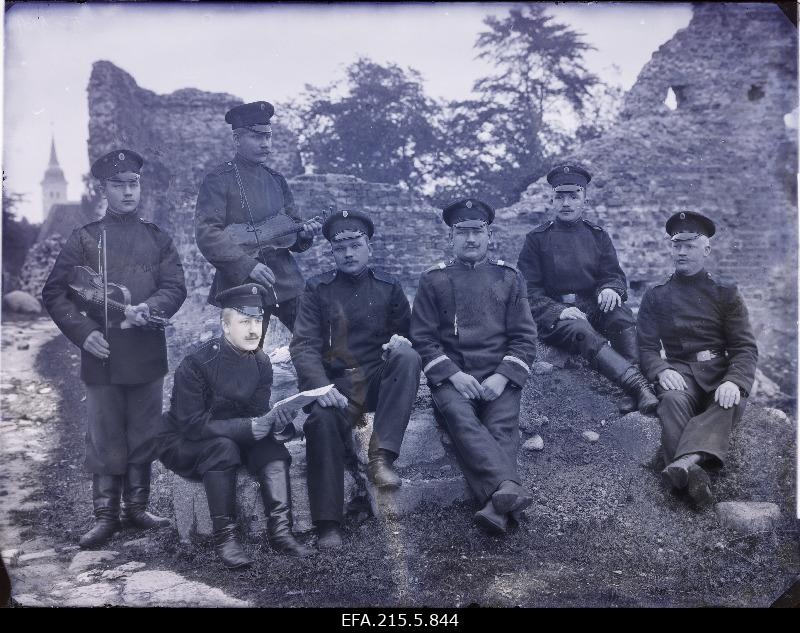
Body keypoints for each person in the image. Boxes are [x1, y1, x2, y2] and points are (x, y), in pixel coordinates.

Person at [42, 149, 187, 549]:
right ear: (103, 188)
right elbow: (55, 293)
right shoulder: (85, 238)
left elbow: (175, 287)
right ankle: (106, 516)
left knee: (144, 431)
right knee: (105, 434)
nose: (127, 192)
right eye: (118, 184)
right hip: (102, 354)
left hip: (146, 351)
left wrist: (151, 309)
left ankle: (137, 509)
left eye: (133, 183)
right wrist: (84, 332)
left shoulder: (158, 238)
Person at [290, 210, 421, 549]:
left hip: (378, 380)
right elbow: (304, 344)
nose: (348, 253)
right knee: (319, 422)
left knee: (407, 356)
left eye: (355, 245)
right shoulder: (318, 289)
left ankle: (381, 457)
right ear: (331, 252)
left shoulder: (389, 288)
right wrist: (321, 388)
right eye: (339, 247)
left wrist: (402, 341)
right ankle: (328, 524)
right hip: (338, 387)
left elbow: (408, 335)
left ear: (369, 247)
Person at [159, 283, 313, 569]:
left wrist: (277, 424)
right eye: (244, 322)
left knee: (270, 447)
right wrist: (245, 428)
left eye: (257, 321)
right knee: (223, 447)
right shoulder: (196, 363)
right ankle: (225, 540)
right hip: (186, 442)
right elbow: (191, 424)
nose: (254, 329)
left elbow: (256, 413)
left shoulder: (261, 362)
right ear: (225, 326)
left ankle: (281, 533)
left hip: (230, 435)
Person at [410, 198, 538, 535]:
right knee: (462, 420)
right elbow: (423, 338)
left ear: (488, 235)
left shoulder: (509, 277)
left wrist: (502, 376)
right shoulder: (433, 279)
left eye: (477, 232)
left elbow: (525, 337)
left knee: (501, 427)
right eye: (462, 232)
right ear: (450, 237)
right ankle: (507, 490)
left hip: (499, 374)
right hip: (454, 377)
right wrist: (452, 373)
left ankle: (496, 504)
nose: (470, 239)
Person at [637, 212, 758, 507]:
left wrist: (733, 380)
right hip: (681, 370)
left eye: (689, 246)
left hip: (720, 370)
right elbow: (646, 347)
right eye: (676, 245)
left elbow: (744, 347)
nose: (681, 252)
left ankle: (686, 462)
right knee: (673, 399)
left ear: (706, 249)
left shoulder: (725, 293)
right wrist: (660, 370)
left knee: (729, 400)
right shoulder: (657, 295)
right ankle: (695, 475)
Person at [516, 164, 658, 414]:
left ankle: (635, 385)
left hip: (592, 307)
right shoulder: (537, 239)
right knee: (580, 329)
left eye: (573, 196)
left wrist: (610, 289)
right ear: (552, 200)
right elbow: (527, 291)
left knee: (620, 312)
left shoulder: (597, 235)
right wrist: (558, 311)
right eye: (560, 197)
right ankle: (637, 387)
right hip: (556, 318)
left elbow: (613, 275)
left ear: (585, 200)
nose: (566, 203)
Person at [195, 101, 322, 336]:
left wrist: (304, 234)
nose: (265, 144)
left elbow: (292, 228)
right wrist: (247, 266)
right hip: (241, 283)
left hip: (286, 280)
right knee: (245, 358)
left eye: (268, 137)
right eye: (256, 137)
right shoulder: (218, 179)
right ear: (236, 139)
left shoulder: (277, 180)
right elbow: (207, 233)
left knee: (318, 340)